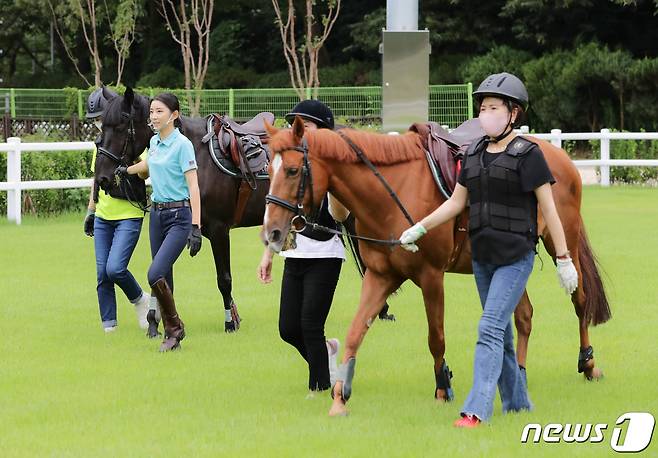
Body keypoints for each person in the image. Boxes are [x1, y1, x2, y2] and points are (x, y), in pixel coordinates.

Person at [399, 72, 579, 427]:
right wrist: (419, 227)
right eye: (483, 108)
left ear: (513, 113)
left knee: (489, 328)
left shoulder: (529, 155)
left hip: (516, 257)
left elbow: (551, 211)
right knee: (503, 336)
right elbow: (455, 203)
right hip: (483, 258)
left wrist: (564, 259)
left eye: (494, 107)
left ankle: (475, 409)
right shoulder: (475, 153)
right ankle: (518, 404)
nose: (486, 114)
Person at [258, 100, 346, 397]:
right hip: (295, 253)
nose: (301, 131)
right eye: (298, 126)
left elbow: (342, 217)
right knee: (288, 329)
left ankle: (320, 387)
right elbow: (281, 213)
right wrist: (269, 252)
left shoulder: (331, 169)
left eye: (307, 126)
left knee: (310, 325)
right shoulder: (292, 163)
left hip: (325, 254)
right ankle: (328, 353)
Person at [117, 92, 202, 352]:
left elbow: (194, 186)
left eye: (159, 111)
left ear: (174, 115)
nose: (153, 116)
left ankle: (175, 329)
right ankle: (171, 336)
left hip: (179, 217)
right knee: (164, 275)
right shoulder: (154, 142)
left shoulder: (183, 145)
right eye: (151, 111)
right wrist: (126, 170)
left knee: (155, 273)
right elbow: (147, 165)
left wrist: (195, 226)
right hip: (157, 215)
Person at [84, 87, 150, 333]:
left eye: (102, 117)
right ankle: (109, 327)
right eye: (99, 119)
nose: (101, 123)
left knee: (115, 268)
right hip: (103, 216)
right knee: (102, 274)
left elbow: (145, 170)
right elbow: (96, 180)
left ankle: (140, 299)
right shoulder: (101, 147)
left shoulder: (135, 137)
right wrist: (91, 212)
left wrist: (129, 165)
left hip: (129, 215)